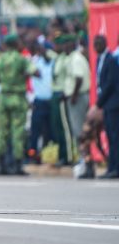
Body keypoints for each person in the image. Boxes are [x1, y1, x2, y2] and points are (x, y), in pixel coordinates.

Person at [0, 34, 34, 175]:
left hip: (3, 97)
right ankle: (17, 165)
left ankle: (1, 164)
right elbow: (34, 71)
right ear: (16, 44)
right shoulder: (21, 59)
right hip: (18, 97)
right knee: (18, 131)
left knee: (2, 131)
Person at [93, 35, 118, 179]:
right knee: (110, 136)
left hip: (114, 104)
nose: (96, 47)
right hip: (107, 104)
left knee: (115, 137)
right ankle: (111, 167)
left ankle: (115, 168)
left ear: (105, 43)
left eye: (98, 44)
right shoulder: (99, 60)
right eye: (94, 44)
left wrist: (98, 104)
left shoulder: (111, 60)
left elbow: (110, 85)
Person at [64, 36, 91, 167]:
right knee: (81, 130)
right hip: (79, 96)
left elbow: (79, 78)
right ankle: (85, 159)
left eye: (65, 44)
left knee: (80, 130)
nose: (63, 47)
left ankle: (84, 161)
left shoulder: (75, 59)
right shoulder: (75, 57)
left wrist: (74, 95)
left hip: (78, 97)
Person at [27, 40, 55, 164]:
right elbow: (30, 74)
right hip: (38, 101)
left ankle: (49, 153)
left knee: (50, 130)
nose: (43, 51)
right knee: (35, 130)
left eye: (45, 49)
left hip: (51, 101)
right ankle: (32, 154)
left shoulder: (55, 62)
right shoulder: (35, 62)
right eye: (41, 49)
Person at [50, 34, 74, 166]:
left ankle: (68, 157)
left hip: (62, 94)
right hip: (54, 94)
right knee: (57, 127)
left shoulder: (66, 60)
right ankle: (61, 155)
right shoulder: (57, 58)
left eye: (57, 44)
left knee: (64, 127)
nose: (55, 47)